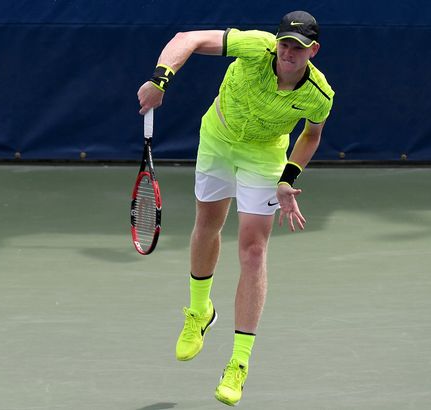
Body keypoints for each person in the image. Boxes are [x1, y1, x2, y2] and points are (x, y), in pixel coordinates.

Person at [137, 10, 334, 406]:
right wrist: (160, 80)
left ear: (313, 50)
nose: (288, 52)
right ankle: (198, 312)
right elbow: (186, 38)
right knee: (207, 224)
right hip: (217, 138)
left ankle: (238, 364)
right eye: (284, 43)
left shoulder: (319, 94)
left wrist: (287, 178)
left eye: (298, 47)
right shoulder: (255, 46)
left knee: (254, 248)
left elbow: (311, 135)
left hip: (264, 156)